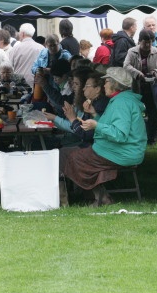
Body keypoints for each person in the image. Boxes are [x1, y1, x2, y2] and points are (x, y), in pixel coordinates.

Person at [59, 67, 146, 207]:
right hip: (118, 150)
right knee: (71, 154)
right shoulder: (121, 100)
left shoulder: (121, 103)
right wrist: (94, 114)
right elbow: (111, 126)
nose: (104, 84)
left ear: (114, 84)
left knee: (73, 157)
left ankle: (101, 198)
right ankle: (98, 196)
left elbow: (119, 134)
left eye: (106, 82)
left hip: (121, 153)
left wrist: (96, 125)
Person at [123, 29, 157, 145]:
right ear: (139, 41)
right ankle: (138, 139)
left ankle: (153, 140)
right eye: (145, 42)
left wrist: (156, 72)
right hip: (137, 87)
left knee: (154, 114)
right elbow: (126, 65)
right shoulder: (132, 52)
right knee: (136, 114)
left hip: (153, 87)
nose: (147, 45)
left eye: (150, 42)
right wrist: (137, 73)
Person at [9, 23, 44, 88]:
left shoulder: (15, 49)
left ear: (22, 33)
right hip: (38, 85)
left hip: (19, 86)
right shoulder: (41, 48)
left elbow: (10, 68)